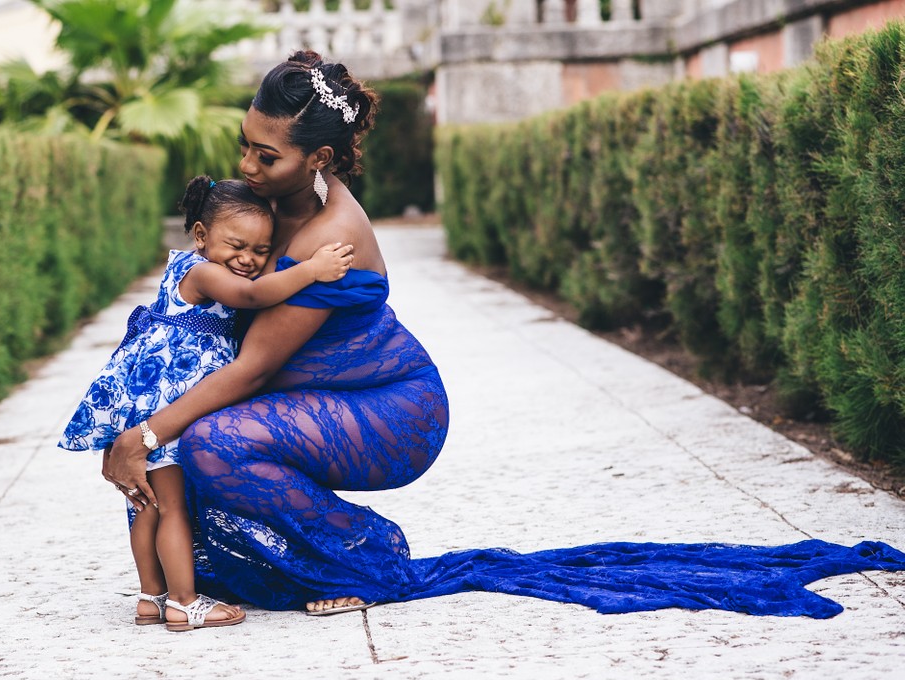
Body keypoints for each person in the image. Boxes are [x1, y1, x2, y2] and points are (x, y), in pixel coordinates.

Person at [102, 51, 905, 624]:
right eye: (246, 141)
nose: (245, 159)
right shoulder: (274, 201)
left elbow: (248, 371)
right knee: (189, 458)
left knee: (209, 446)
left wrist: (142, 433)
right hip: (326, 399)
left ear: (315, 156)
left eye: (263, 150)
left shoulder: (323, 238)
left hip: (392, 412)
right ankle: (251, 568)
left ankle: (368, 557)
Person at [60, 176, 354, 630]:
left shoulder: (185, 269)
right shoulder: (201, 272)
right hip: (169, 407)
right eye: (237, 245)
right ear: (201, 236)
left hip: (147, 401)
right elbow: (253, 295)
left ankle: (151, 597)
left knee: (147, 506)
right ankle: (184, 601)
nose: (248, 259)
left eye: (261, 251)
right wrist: (311, 270)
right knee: (174, 507)